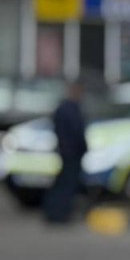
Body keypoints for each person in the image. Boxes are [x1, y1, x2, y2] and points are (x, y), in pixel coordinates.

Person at [44, 81, 89, 227]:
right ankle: (59, 214)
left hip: (69, 152)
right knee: (66, 185)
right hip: (70, 153)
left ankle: (57, 213)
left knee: (64, 183)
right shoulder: (69, 109)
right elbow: (75, 132)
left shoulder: (68, 108)